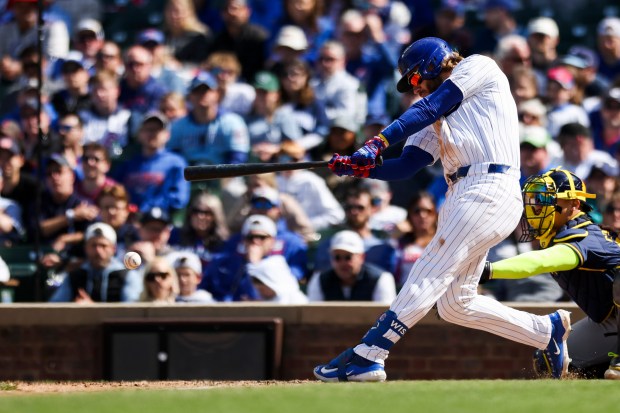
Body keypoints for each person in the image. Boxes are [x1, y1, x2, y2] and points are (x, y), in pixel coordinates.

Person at [314, 37, 571, 382]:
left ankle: (370, 353)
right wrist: (360, 169)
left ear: (436, 62)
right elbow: (408, 164)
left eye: (417, 78)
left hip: (489, 186)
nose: (416, 88)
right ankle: (544, 331)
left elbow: (435, 104)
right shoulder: (436, 111)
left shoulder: (477, 67)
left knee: (431, 267)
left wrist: (377, 142)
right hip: (463, 194)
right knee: (455, 304)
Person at [479, 168, 620, 380]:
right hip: (609, 320)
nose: (537, 207)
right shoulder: (557, 234)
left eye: (547, 200)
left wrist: (489, 270)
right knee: (550, 359)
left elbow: (541, 262)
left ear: (574, 204)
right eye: (536, 200)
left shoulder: (585, 236)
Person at [49, 222, 142, 303]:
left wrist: (92, 309)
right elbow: (55, 306)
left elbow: (131, 310)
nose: (98, 251)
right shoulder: (75, 276)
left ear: (113, 249)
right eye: (93, 245)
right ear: (85, 248)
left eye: (103, 245)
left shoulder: (127, 275)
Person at [307, 230, 396, 304]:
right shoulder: (319, 279)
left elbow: (386, 317)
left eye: (348, 257)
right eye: (337, 257)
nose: (343, 263)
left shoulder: (382, 278)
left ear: (361, 257)